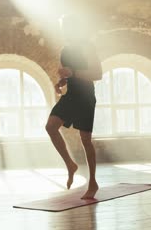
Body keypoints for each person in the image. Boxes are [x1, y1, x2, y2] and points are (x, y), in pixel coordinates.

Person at [45, 15, 102, 199]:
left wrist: (73, 72)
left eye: (69, 27)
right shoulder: (65, 50)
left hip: (86, 95)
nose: (65, 31)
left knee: (85, 140)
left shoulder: (88, 47)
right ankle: (70, 164)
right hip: (71, 95)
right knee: (51, 126)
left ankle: (93, 182)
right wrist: (61, 82)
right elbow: (68, 75)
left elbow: (97, 74)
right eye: (64, 28)